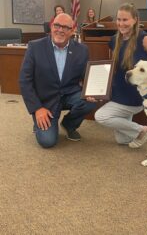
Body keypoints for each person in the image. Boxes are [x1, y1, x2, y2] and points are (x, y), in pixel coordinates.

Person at [94, 3, 147, 148]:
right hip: (118, 92)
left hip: (134, 95)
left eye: (125, 20)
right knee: (122, 140)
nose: (121, 23)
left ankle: (144, 130)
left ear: (135, 20)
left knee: (101, 116)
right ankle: (135, 128)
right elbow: (112, 68)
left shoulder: (144, 39)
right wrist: (98, 87)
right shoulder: (114, 40)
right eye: (118, 19)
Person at [20, 13, 96, 148]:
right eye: (57, 25)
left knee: (89, 103)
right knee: (48, 142)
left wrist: (92, 90)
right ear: (51, 26)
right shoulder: (35, 47)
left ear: (72, 31)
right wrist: (37, 108)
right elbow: (25, 81)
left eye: (66, 27)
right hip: (46, 100)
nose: (60, 30)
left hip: (69, 94)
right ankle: (38, 119)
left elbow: (85, 76)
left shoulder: (82, 50)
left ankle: (68, 125)